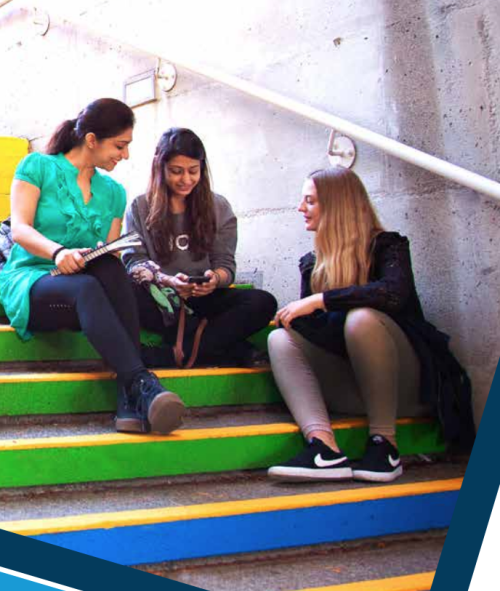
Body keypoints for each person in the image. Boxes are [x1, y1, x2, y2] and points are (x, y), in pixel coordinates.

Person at [267, 166, 474, 483]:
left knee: (362, 319)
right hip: (351, 388)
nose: (300, 208)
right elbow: (323, 337)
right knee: (282, 338)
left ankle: (384, 445)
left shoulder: (387, 247)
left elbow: (392, 295)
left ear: (336, 205)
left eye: (309, 201)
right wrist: (298, 318)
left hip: (407, 388)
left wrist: (321, 300)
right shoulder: (312, 263)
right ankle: (324, 448)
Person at [0, 98, 185, 435]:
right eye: (120, 145)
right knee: (87, 287)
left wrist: (95, 254)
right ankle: (139, 386)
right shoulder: (37, 167)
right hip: (32, 280)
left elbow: (109, 256)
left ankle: (131, 395)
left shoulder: (113, 191)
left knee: (111, 271)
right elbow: (21, 230)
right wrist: (58, 253)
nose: (124, 155)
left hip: (85, 291)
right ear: (91, 140)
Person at [123, 128, 277, 368]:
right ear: (160, 168)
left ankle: (172, 355)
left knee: (263, 302)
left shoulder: (218, 206)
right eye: (176, 171)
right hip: (160, 298)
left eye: (193, 171)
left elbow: (225, 266)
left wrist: (214, 280)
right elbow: (134, 263)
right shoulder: (139, 206)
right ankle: (235, 350)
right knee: (125, 292)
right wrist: (169, 281)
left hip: (204, 297)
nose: (186, 179)